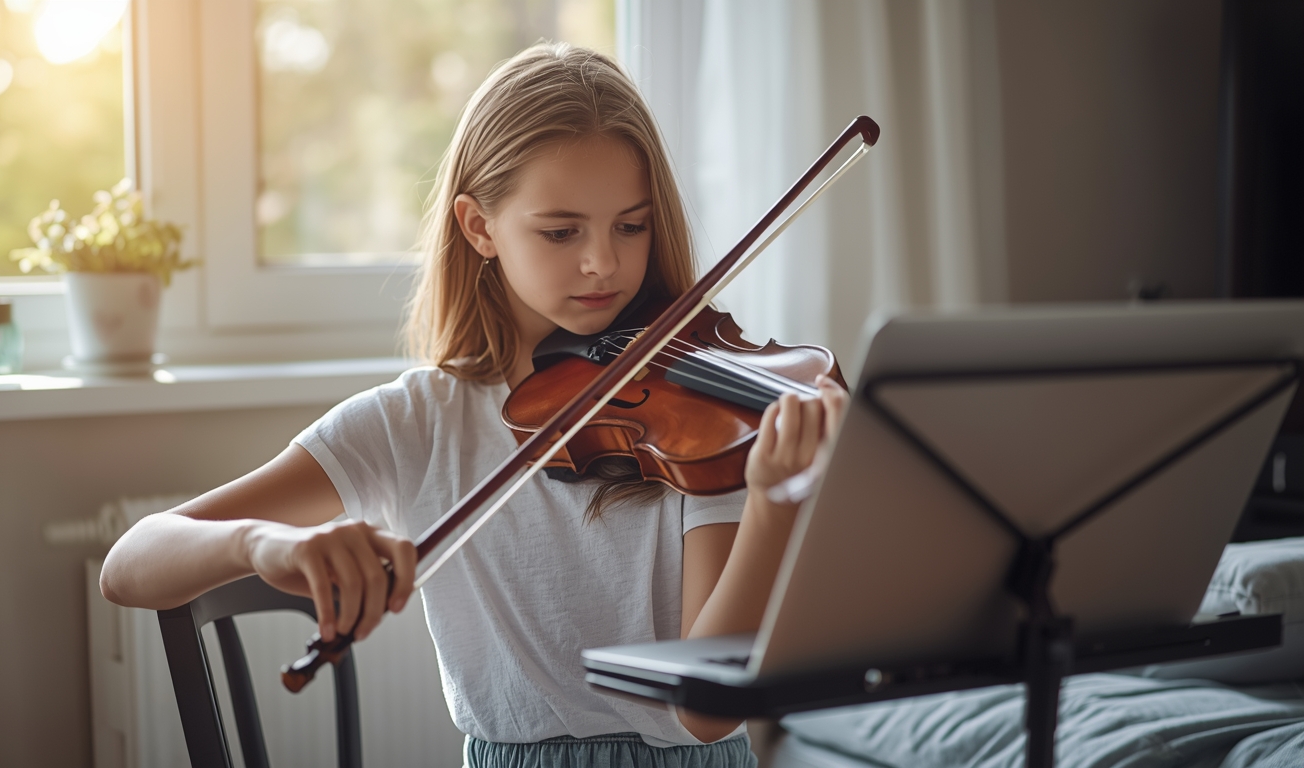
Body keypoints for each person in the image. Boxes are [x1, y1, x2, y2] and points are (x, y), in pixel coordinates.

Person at [101, 42, 847, 768]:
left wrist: (775, 503)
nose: (604, 263)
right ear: (479, 226)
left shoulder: (698, 417)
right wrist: (261, 544)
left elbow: (705, 710)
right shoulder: (418, 423)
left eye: (632, 224)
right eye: (561, 231)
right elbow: (130, 564)